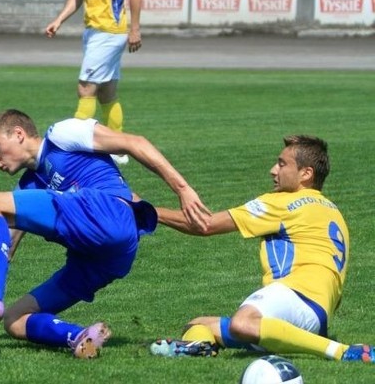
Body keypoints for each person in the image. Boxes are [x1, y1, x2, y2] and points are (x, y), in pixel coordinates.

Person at [0, 109, 209, 358]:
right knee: (15, 320)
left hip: (109, 211)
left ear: (18, 134)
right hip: (108, 256)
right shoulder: (29, 186)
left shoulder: (61, 134)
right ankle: (80, 337)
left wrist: (182, 188)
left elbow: (134, 142)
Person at [152, 135, 374, 363]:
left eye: (282, 164)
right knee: (198, 325)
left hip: (295, 294)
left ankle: (342, 352)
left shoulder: (283, 202)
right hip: (318, 316)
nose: (272, 170)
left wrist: (147, 211)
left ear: (306, 174)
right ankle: (202, 349)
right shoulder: (332, 210)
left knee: (243, 323)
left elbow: (205, 224)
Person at [44, 0, 142, 165]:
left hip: (110, 32)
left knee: (85, 87)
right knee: (107, 91)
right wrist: (59, 19)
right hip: (93, 32)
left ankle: (78, 147)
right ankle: (119, 148)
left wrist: (135, 29)